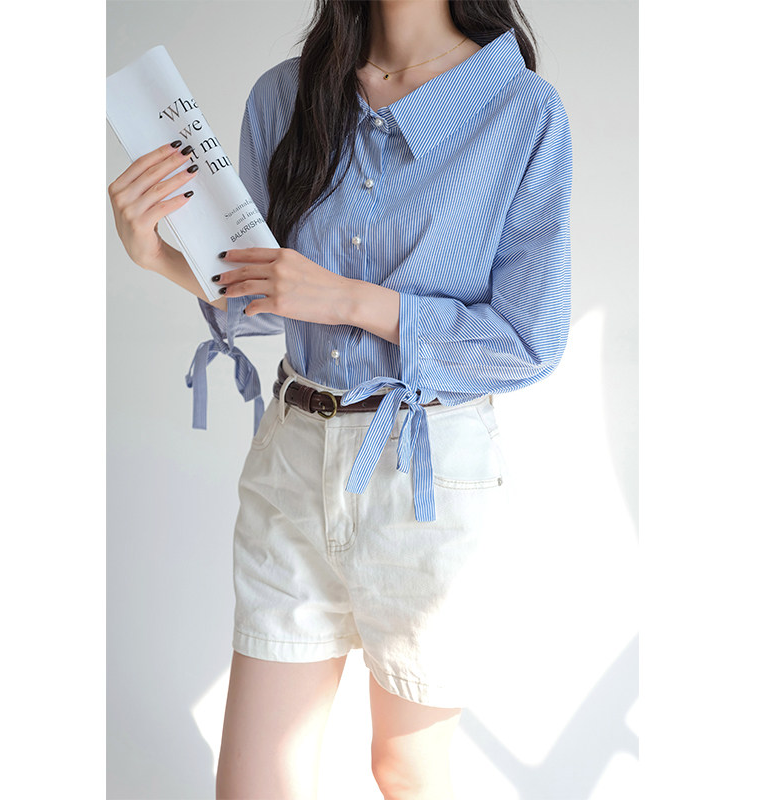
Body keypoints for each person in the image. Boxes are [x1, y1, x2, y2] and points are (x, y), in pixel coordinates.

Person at [108, 0, 572, 796]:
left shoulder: (521, 110)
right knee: (253, 784)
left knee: (406, 771)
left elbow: (528, 338)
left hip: (424, 471)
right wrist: (157, 257)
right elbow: (262, 299)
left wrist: (349, 300)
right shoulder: (286, 94)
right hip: (291, 458)